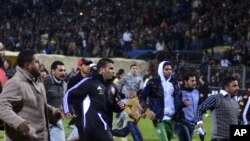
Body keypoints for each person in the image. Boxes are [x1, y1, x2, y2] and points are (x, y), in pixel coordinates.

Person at [0, 49, 63, 141]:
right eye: (37, 62)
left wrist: (53, 111)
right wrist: (18, 123)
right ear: (27, 66)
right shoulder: (16, 82)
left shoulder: (38, 82)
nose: (40, 64)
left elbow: (37, 104)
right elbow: (2, 106)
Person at [63, 58, 124, 141]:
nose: (113, 71)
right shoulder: (90, 82)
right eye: (111, 68)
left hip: (106, 124)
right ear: (102, 70)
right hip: (93, 125)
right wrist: (68, 109)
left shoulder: (113, 86)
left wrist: (120, 106)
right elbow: (68, 94)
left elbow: (116, 106)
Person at [139, 61, 182, 141]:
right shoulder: (153, 82)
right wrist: (148, 110)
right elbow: (142, 97)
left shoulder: (175, 82)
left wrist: (182, 104)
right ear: (160, 70)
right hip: (158, 117)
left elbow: (178, 98)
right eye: (166, 69)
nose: (169, 71)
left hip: (172, 118)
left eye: (170, 69)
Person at [195, 76, 240, 141]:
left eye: (237, 85)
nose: (238, 88)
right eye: (234, 86)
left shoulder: (234, 101)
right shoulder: (215, 98)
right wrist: (199, 122)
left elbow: (235, 120)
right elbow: (199, 109)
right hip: (219, 138)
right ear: (226, 87)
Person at [43, 61, 67, 141]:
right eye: (60, 70)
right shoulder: (45, 82)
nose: (63, 73)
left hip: (56, 121)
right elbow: (38, 101)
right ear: (53, 71)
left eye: (64, 70)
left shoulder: (64, 84)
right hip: (43, 122)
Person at [66, 58, 93, 129]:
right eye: (86, 64)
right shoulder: (73, 80)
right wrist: (70, 109)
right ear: (80, 66)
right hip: (78, 110)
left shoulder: (92, 79)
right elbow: (68, 96)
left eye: (89, 65)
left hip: (90, 111)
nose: (88, 66)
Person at [175, 72, 200, 141]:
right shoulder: (179, 92)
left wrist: (199, 121)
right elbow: (174, 105)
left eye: (195, 80)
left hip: (192, 124)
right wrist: (182, 104)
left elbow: (198, 108)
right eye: (192, 81)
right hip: (182, 122)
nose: (194, 82)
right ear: (185, 82)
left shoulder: (196, 92)